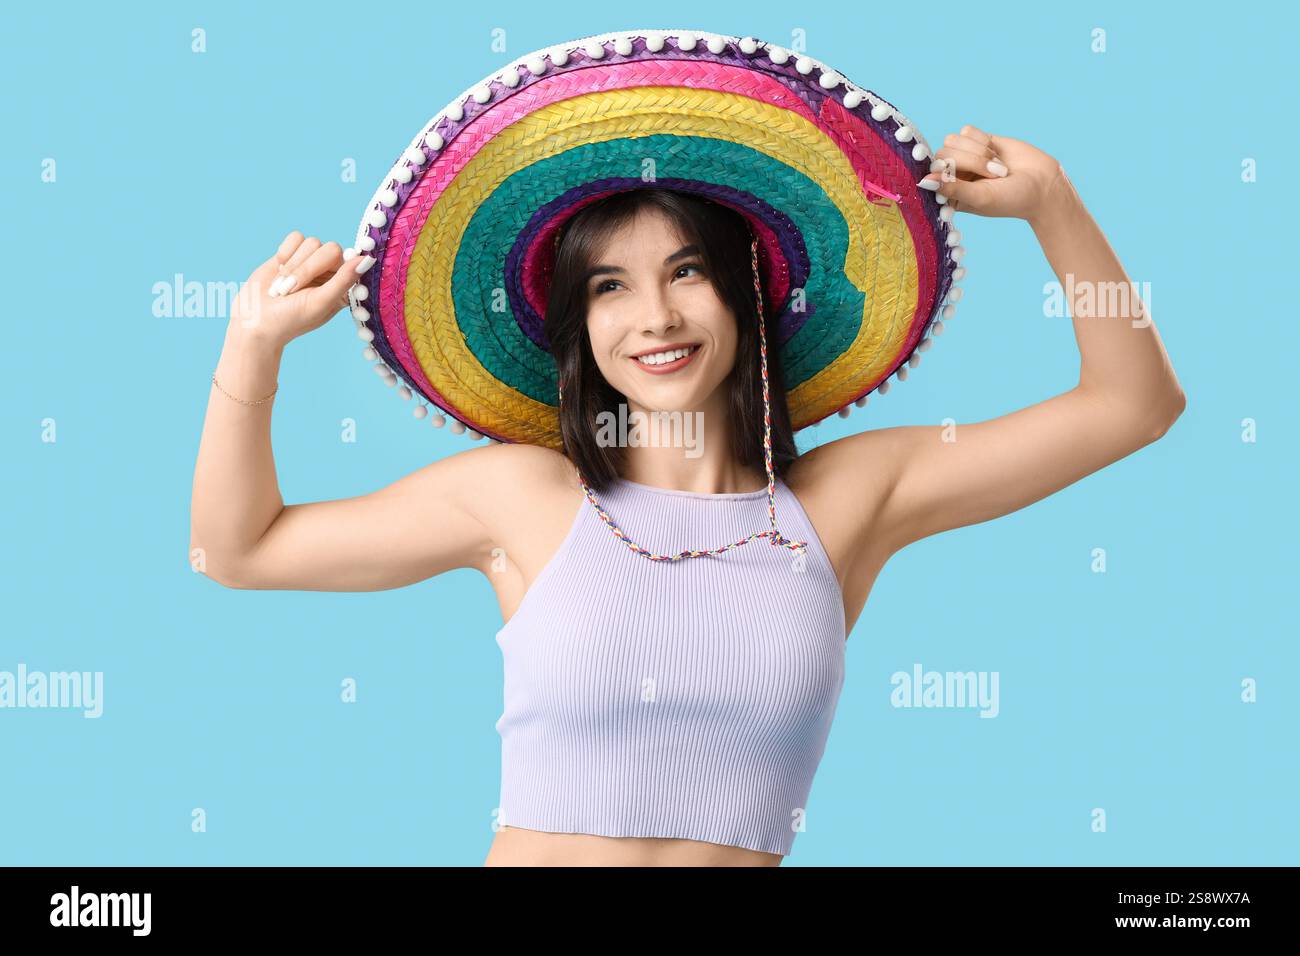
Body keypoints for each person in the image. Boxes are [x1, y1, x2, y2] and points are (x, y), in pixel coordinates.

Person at [191, 124, 1185, 866]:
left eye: (686, 271)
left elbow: (1131, 405)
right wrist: (251, 344)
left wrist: (1052, 200)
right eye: (608, 287)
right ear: (574, 328)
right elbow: (239, 548)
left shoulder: (845, 502)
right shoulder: (523, 498)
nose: (655, 316)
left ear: (745, 293)